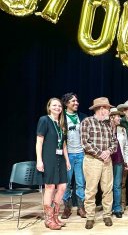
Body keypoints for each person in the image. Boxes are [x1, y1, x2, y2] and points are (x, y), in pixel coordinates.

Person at [81, 97, 118, 230]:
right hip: (92, 161)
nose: (109, 110)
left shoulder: (110, 124)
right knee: (91, 190)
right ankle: (90, 217)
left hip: (107, 161)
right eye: (108, 108)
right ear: (101, 109)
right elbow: (85, 143)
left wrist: (108, 151)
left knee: (107, 189)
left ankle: (107, 214)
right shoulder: (87, 122)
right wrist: (100, 153)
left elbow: (115, 142)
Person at [36, 97, 70, 230]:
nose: (57, 108)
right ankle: (48, 219)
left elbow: (64, 144)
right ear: (49, 107)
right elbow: (39, 141)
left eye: (60, 106)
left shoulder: (61, 122)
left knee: (62, 187)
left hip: (60, 158)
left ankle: (56, 216)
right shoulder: (44, 120)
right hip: (48, 157)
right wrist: (39, 160)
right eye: (54, 105)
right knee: (50, 187)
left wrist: (67, 160)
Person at [61, 92, 88, 220]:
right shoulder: (61, 117)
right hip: (67, 155)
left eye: (77, 101)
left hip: (80, 154)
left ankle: (81, 207)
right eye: (73, 101)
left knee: (80, 182)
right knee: (66, 183)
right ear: (66, 103)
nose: (76, 103)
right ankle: (67, 207)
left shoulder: (82, 117)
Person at [109, 107, 128, 218]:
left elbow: (126, 146)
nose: (119, 118)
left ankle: (117, 208)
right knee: (107, 186)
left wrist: (127, 161)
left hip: (119, 160)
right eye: (117, 116)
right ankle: (107, 208)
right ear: (111, 117)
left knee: (117, 185)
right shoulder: (105, 128)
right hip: (107, 161)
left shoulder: (122, 130)